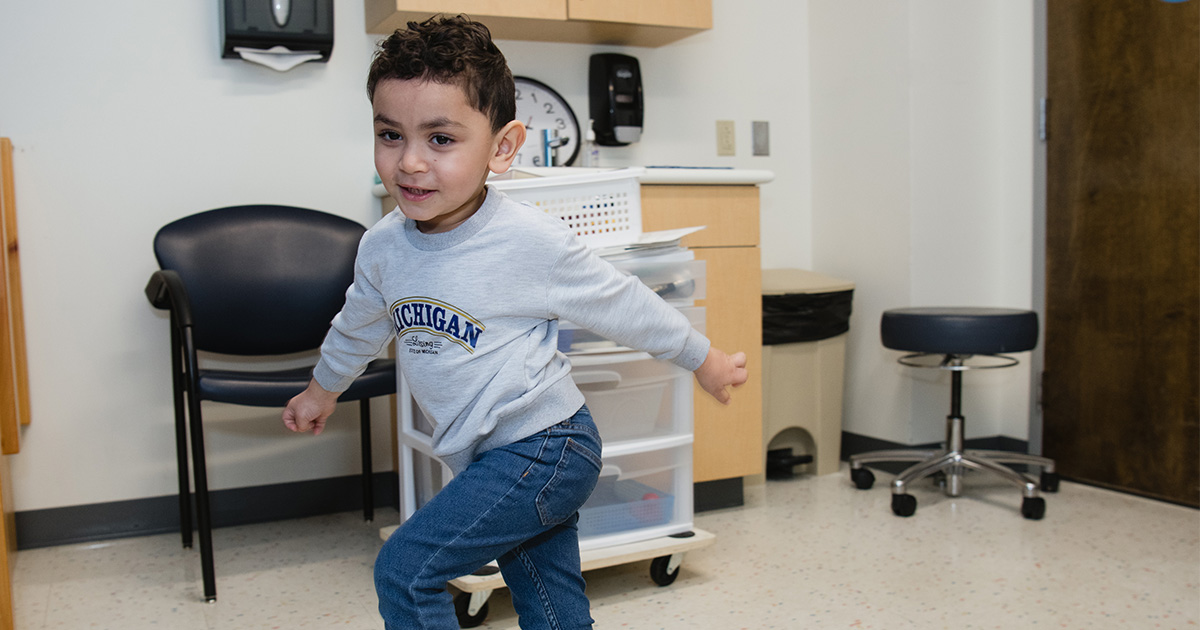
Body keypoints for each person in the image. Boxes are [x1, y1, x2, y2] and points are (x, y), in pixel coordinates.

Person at [282, 15, 748, 630]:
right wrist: (321, 391)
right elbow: (357, 328)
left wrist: (702, 357)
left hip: (546, 445)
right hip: (489, 457)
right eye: (390, 135)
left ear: (501, 147)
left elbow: (623, 302)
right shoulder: (383, 247)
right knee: (550, 604)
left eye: (441, 139)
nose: (411, 162)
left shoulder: (527, 242)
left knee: (406, 570)